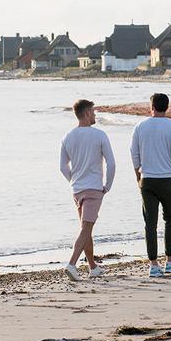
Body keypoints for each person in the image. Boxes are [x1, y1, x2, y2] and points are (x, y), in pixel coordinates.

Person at [58, 99, 115, 281]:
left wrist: (73, 180)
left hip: (77, 190)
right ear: (87, 114)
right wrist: (108, 185)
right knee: (86, 228)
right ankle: (72, 264)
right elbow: (111, 163)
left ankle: (92, 267)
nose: (96, 115)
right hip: (93, 188)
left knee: (86, 228)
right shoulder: (99, 135)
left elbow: (62, 167)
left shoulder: (68, 136)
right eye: (94, 112)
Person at [133, 92, 171, 277]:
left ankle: (154, 264)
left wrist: (138, 176)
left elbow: (134, 154)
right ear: (167, 107)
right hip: (168, 179)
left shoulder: (140, 126)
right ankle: (170, 261)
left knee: (150, 223)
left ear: (152, 107)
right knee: (170, 220)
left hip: (147, 179)